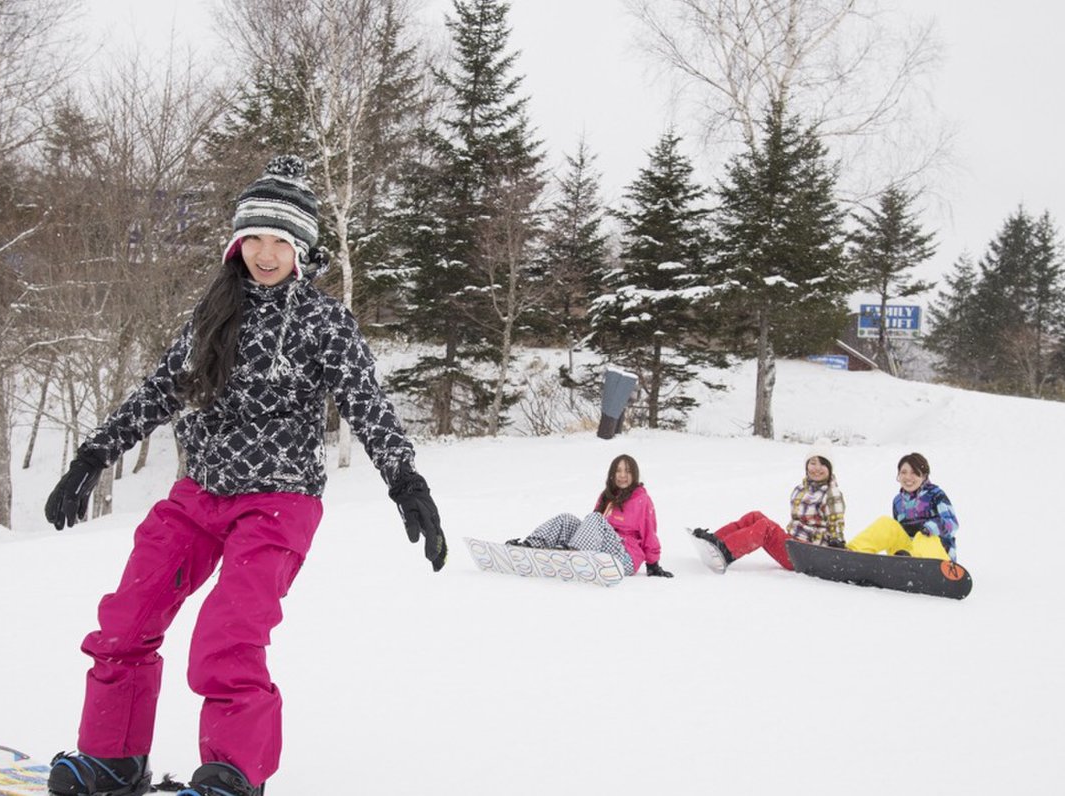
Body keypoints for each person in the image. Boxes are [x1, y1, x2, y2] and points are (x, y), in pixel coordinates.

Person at [40, 156, 446, 796]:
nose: (265, 253)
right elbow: (158, 394)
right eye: (253, 238)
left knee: (226, 639)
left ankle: (231, 777)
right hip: (197, 496)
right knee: (125, 620)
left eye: (280, 241)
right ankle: (112, 759)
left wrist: (407, 483)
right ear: (236, 243)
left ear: (301, 249)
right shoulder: (213, 313)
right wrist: (93, 457)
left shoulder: (323, 322)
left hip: (279, 501)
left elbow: (368, 406)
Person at [507, 453, 672, 577]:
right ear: (612, 474)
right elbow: (593, 529)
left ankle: (572, 555)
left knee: (596, 518)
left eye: (627, 471)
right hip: (602, 551)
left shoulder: (642, 499)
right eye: (619, 471)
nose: (622, 475)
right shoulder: (607, 496)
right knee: (567, 519)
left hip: (625, 557)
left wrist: (653, 564)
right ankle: (529, 547)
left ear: (634, 474)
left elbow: (650, 533)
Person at [690, 452, 846, 573]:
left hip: (807, 554)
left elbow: (837, 523)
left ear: (830, 469)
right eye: (813, 463)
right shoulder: (803, 488)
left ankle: (726, 552)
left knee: (766, 527)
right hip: (794, 543)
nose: (817, 468)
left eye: (822, 465)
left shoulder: (832, 494)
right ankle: (715, 541)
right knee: (755, 516)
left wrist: (837, 544)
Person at [845, 451, 958, 561]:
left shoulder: (936, 494)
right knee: (886, 523)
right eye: (903, 472)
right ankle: (853, 553)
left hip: (937, 558)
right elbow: (897, 533)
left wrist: (929, 528)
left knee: (923, 537)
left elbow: (952, 524)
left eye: (914, 472)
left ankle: (914, 561)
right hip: (907, 555)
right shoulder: (898, 501)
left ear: (924, 476)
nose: (908, 477)